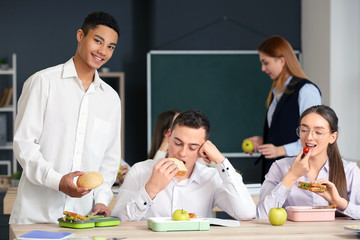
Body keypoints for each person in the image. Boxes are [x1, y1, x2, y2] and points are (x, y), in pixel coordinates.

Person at [10, 11, 121, 224]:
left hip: (83, 221)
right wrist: (58, 181)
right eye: (98, 41)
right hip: (36, 218)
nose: (103, 51)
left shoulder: (111, 99)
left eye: (110, 47)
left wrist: (102, 200)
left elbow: (109, 159)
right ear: (80, 35)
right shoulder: (43, 83)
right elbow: (24, 144)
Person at [112, 110, 256, 221]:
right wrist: (150, 190)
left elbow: (246, 213)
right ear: (168, 137)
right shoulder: (140, 171)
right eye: (178, 143)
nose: (182, 153)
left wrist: (221, 161)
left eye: (193, 147)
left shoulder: (211, 178)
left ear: (203, 148)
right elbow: (119, 220)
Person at [256, 105, 360, 219]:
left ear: (333, 137)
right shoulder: (279, 167)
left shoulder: (350, 171)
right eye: (304, 130)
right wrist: (291, 176)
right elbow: (261, 216)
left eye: (318, 132)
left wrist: (339, 201)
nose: (309, 137)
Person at [244, 35, 322, 180]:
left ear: (281, 60)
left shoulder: (306, 91)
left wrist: (280, 150)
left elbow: (314, 139)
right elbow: (284, 132)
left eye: (266, 63)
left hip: (295, 174)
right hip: (275, 172)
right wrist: (265, 141)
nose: (262, 68)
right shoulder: (276, 93)